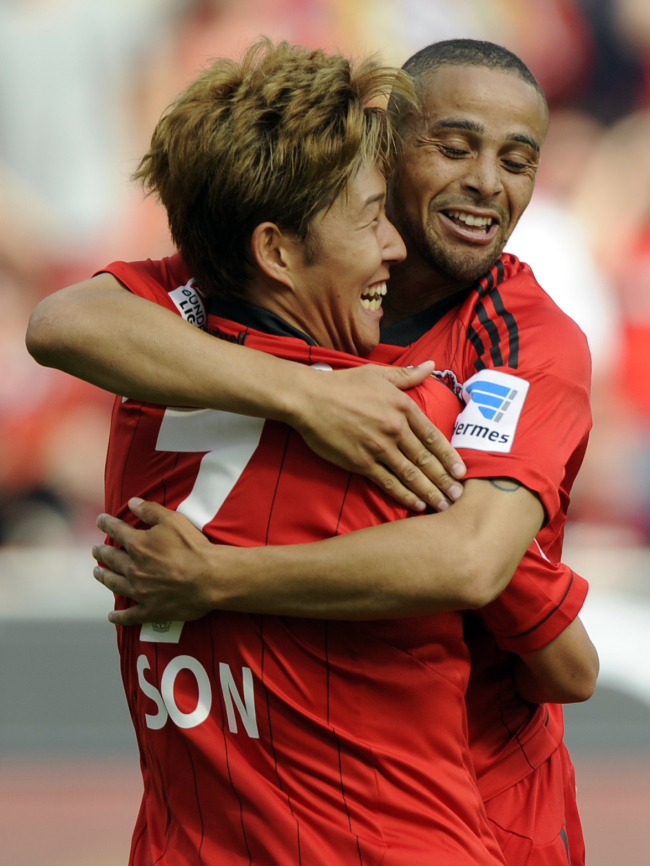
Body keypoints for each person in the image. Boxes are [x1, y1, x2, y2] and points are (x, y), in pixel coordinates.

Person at [27, 39, 598, 865]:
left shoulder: (518, 340)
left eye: (518, 159)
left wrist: (215, 579)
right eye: (454, 145)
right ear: (384, 142)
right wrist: (311, 396)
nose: (488, 182)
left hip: (467, 800)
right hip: (404, 824)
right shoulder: (401, 395)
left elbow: (477, 560)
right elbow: (563, 658)